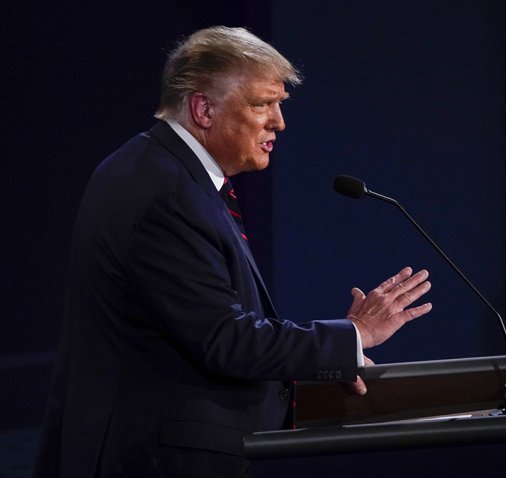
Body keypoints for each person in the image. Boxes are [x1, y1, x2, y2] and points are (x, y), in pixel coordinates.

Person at [34, 26, 432, 477]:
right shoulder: (163, 192)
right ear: (204, 108)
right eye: (262, 104)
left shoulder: (163, 173)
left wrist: (329, 357)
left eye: (279, 104)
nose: (279, 121)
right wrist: (353, 334)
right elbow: (224, 339)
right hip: (155, 460)